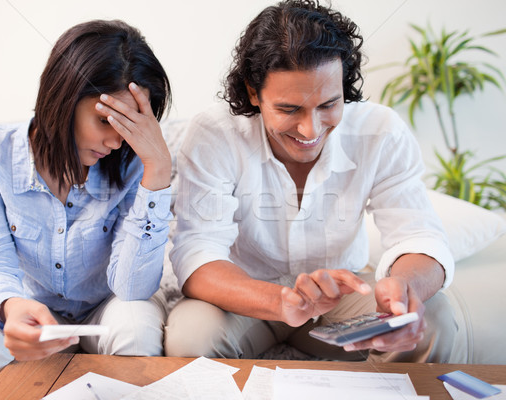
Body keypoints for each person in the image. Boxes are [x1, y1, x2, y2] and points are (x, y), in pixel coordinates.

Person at [165, 0, 458, 363]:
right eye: (289, 109)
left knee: (435, 320)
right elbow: (198, 254)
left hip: (342, 295)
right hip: (250, 296)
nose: (311, 129)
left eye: (328, 105)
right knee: (189, 339)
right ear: (254, 93)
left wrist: (403, 289)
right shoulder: (215, 133)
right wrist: (280, 301)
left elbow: (420, 236)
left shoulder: (381, 131)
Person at [0, 19, 172, 398]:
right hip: (32, 304)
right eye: (105, 120)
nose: (116, 141)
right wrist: (9, 307)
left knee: (136, 325)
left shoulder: (136, 159)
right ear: (62, 98)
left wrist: (157, 172)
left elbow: (132, 287)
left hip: (106, 305)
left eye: (130, 124)